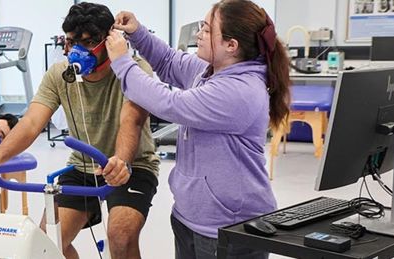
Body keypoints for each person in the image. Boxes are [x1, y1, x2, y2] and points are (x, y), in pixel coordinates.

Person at [0, 3, 160, 259]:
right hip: (82, 167)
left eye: (89, 42)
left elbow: (132, 121)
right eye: (72, 42)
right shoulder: (59, 74)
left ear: (110, 39)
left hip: (131, 166)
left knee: (120, 236)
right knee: (48, 243)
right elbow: (30, 124)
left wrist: (121, 161)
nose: (77, 50)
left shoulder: (133, 70)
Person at [105, 0, 290, 258]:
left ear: (231, 45)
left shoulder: (240, 91)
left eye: (205, 29)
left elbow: (169, 104)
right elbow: (169, 61)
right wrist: (137, 33)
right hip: (191, 216)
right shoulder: (210, 71)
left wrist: (123, 63)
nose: (198, 34)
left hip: (228, 228)